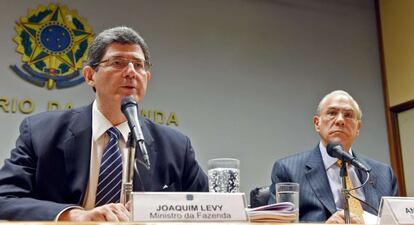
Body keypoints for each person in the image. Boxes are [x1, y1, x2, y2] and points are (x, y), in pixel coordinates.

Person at [0, 26, 208, 221]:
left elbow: (212, 207)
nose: (130, 72)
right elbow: (5, 199)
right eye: (118, 63)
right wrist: (73, 216)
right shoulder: (41, 133)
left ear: (147, 77)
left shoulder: (176, 146)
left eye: (138, 65)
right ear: (90, 76)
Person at [268, 90, 398, 223]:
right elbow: (278, 224)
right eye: (332, 113)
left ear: (358, 127)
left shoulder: (384, 173)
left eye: (348, 115)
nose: (340, 120)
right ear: (317, 123)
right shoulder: (288, 170)